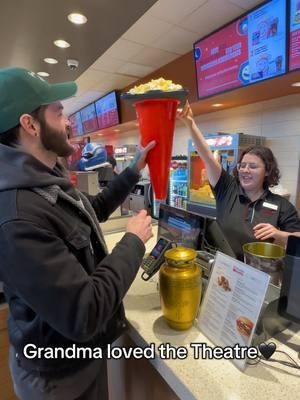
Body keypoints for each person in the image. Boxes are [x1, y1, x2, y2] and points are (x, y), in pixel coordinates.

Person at [0, 67, 155, 400]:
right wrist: (132, 243)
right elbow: (83, 312)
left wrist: (133, 172)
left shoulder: (45, 176)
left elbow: (88, 213)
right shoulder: (17, 216)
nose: (69, 122)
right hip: (57, 378)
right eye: (59, 113)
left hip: (80, 359)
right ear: (30, 124)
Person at [178, 101, 300, 260]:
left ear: (267, 171)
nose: (245, 170)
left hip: (256, 273)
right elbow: (207, 156)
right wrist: (190, 123)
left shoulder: (281, 205)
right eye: (242, 165)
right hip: (221, 266)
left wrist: (280, 234)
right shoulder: (227, 188)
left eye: (253, 166)